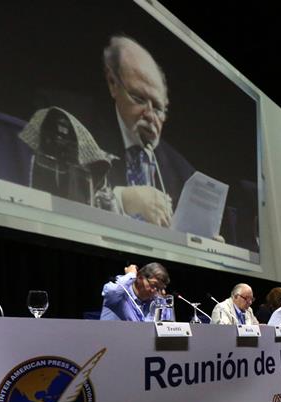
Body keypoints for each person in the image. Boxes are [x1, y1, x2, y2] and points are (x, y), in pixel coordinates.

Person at [98, 35, 195, 228]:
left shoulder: (184, 174)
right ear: (112, 83)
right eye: (139, 98)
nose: (150, 115)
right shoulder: (75, 130)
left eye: (158, 108)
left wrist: (204, 241)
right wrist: (121, 199)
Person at [100, 263, 169, 321]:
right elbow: (113, 291)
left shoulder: (155, 302)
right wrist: (131, 275)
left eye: (159, 288)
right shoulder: (119, 295)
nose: (154, 291)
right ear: (139, 277)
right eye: (153, 285)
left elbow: (165, 325)